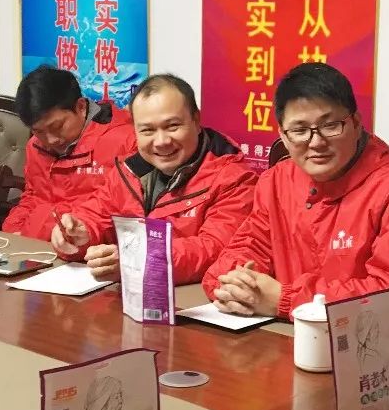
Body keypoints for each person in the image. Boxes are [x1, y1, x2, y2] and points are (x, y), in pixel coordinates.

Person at [203, 63, 389, 317]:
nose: (317, 142)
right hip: (291, 331)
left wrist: (287, 300)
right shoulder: (275, 181)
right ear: (283, 135)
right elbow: (248, 248)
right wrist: (233, 284)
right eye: (299, 131)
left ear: (356, 123)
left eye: (330, 126)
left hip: (385, 338)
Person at [51, 74, 255, 285]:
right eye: (147, 130)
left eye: (172, 126)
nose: (161, 141)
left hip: (192, 298)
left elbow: (216, 249)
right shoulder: (129, 172)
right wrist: (77, 234)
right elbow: (96, 214)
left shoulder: (234, 179)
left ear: (196, 121)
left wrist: (136, 260)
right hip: (128, 295)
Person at [2, 66, 135, 241]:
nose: (50, 140)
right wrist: (14, 232)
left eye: (57, 126)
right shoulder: (35, 146)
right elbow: (33, 196)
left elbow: (120, 215)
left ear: (81, 107)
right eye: (38, 131)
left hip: (90, 247)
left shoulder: (125, 142)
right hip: (40, 245)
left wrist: (46, 231)